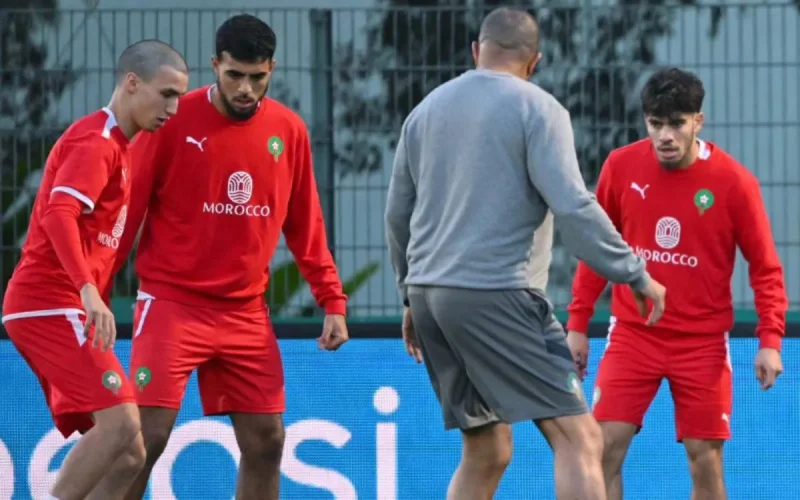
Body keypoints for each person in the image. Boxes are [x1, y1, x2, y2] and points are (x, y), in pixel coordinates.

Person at [385, 7, 667, 500]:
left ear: (477, 51)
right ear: (533, 62)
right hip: (496, 292)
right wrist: (634, 273)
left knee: (488, 448)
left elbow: (396, 214)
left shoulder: (425, 110)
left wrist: (409, 295)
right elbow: (574, 207)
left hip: (431, 296)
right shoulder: (539, 109)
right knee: (580, 437)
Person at [103, 15, 349, 500]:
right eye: (234, 74)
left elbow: (306, 226)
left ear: (271, 70)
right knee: (145, 438)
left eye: (257, 77)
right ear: (215, 65)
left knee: (267, 441)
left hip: (245, 313)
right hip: (172, 303)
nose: (245, 88)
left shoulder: (289, 131)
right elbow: (126, 214)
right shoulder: (170, 122)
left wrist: (332, 300)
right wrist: (100, 287)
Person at [565, 68, 787, 500]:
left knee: (705, 461)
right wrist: (577, 324)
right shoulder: (621, 165)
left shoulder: (735, 183)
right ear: (645, 121)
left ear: (698, 122)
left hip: (702, 342)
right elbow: (599, 247)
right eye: (655, 123)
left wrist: (771, 339)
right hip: (633, 335)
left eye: (676, 123)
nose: (665, 135)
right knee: (601, 451)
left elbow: (765, 267)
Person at [1, 40, 188, 500]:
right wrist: (87, 292)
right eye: (166, 93)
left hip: (62, 304)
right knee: (121, 422)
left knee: (129, 454)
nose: (174, 107)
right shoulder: (96, 142)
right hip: (48, 301)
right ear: (131, 83)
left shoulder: (122, 148)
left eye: (180, 96)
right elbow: (58, 215)